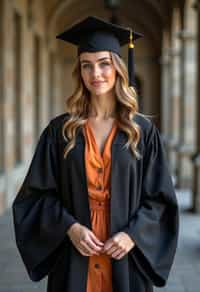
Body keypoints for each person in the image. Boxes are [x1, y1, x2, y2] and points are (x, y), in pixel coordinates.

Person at [12, 16, 179, 292]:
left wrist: (133, 235)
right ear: (79, 72)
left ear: (118, 68)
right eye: (86, 65)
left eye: (104, 63)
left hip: (125, 257)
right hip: (75, 253)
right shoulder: (60, 131)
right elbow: (36, 196)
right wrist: (70, 228)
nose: (96, 74)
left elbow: (161, 199)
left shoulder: (142, 131)